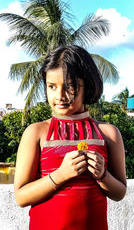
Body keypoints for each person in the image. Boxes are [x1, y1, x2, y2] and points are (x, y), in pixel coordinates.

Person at [14, 45, 126, 230]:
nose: (59, 96)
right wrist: (61, 174)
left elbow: (119, 192)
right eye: (52, 86)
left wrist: (102, 175)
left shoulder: (109, 134)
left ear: (87, 87)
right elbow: (21, 197)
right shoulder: (36, 132)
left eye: (70, 87)